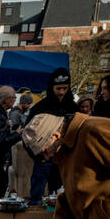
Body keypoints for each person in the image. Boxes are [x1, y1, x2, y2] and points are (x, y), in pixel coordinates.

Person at [27, 69, 76, 203]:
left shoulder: (72, 107)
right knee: (36, 197)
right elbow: (27, 135)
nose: (61, 92)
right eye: (58, 88)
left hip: (64, 160)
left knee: (62, 198)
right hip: (43, 160)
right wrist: (37, 156)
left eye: (65, 88)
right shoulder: (39, 108)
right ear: (51, 87)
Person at [9, 92, 35, 196]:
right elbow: (15, 130)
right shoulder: (15, 113)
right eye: (28, 104)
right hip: (15, 145)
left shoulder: (20, 113)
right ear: (23, 103)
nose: (29, 106)